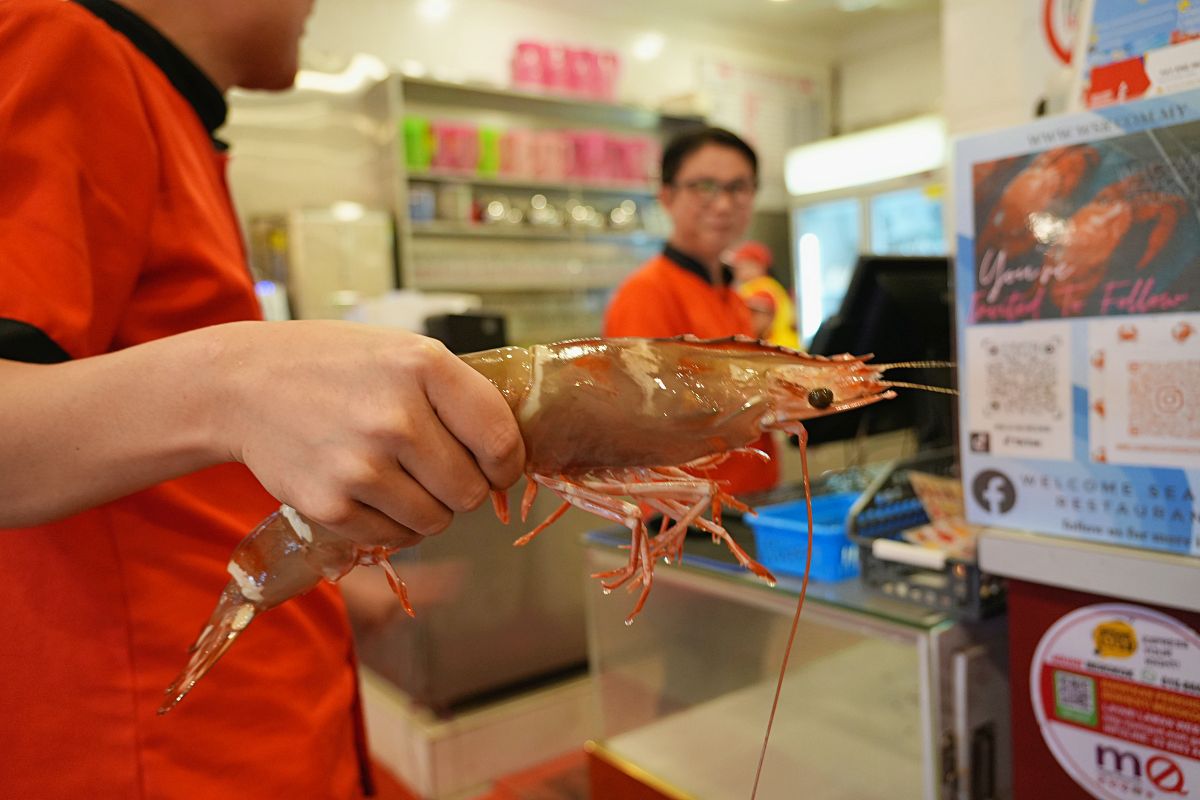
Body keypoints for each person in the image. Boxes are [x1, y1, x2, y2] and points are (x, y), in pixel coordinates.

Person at [0, 1, 525, 798]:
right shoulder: (59, 39)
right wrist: (233, 380)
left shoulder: (168, 106)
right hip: (158, 747)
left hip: (248, 710)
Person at [604, 127, 777, 495]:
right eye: (705, 186)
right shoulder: (646, 292)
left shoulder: (732, 294)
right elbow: (645, 419)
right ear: (667, 196)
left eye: (738, 187)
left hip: (750, 499)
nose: (724, 204)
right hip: (687, 516)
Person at [729, 240, 800, 350]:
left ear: (759, 266)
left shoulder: (762, 289)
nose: (738, 269)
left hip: (776, 350)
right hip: (780, 349)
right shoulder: (765, 286)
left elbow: (757, 326)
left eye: (743, 264)